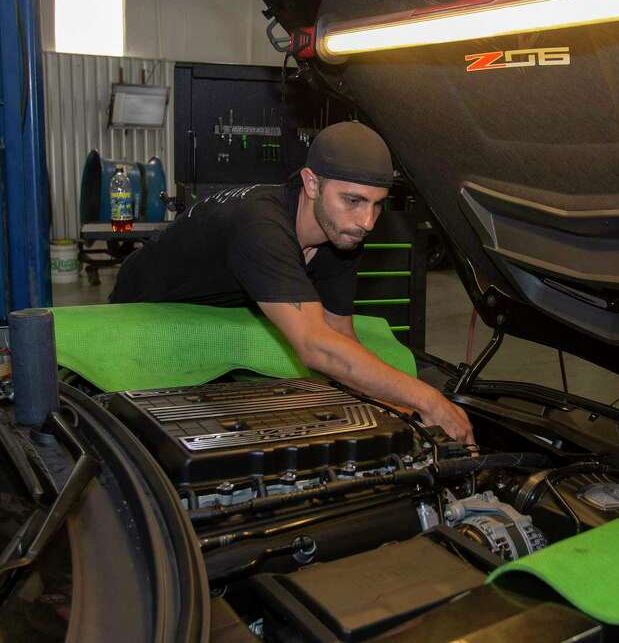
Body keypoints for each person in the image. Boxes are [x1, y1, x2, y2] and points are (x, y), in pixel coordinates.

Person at [110, 122, 473, 442]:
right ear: (311, 183)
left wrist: (393, 406)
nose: (368, 221)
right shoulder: (260, 225)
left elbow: (339, 337)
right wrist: (429, 400)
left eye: (378, 204)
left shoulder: (340, 233)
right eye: (353, 200)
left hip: (212, 319)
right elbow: (317, 346)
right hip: (142, 313)